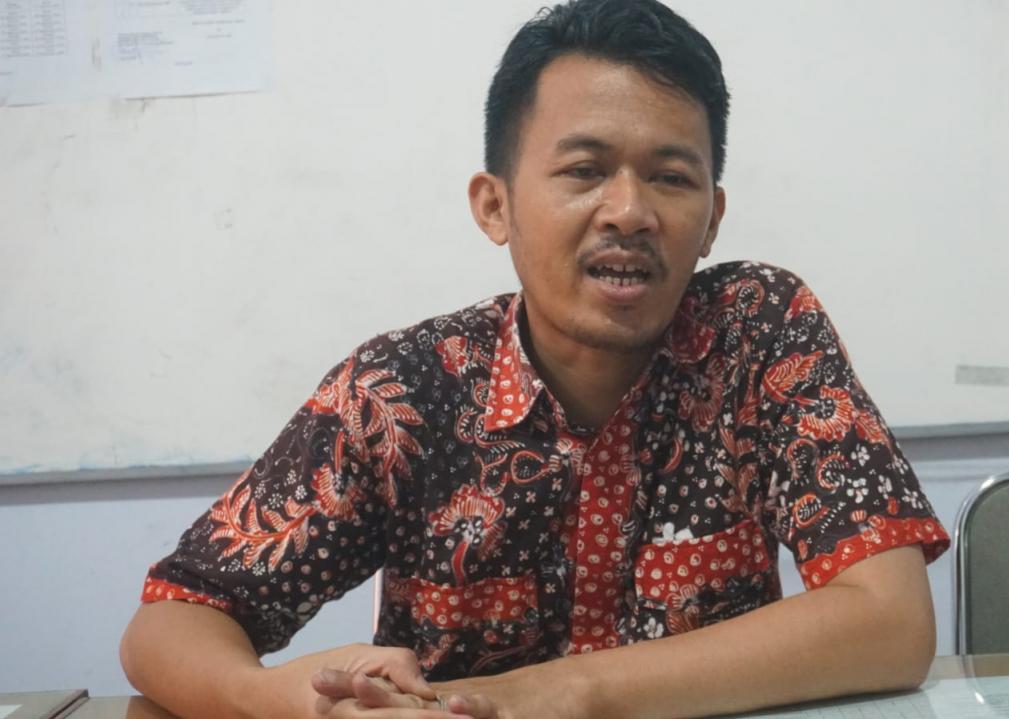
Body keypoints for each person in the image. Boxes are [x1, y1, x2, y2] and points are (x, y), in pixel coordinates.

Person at [119, 1, 950, 717]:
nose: (629, 211)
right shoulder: (403, 389)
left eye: (671, 178)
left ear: (712, 219)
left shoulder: (758, 333)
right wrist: (285, 700)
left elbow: (891, 622)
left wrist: (559, 693)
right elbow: (172, 620)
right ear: (496, 205)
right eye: (585, 170)